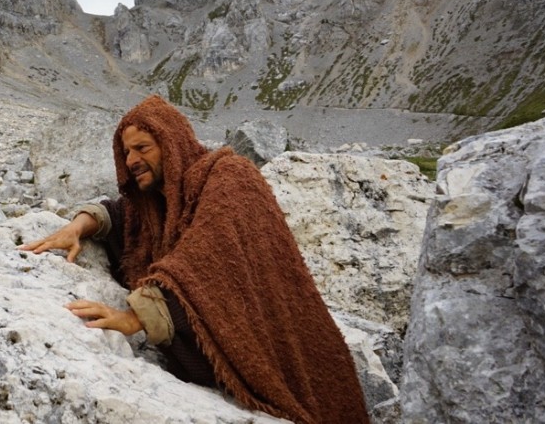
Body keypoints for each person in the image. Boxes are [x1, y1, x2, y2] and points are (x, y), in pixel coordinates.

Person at [20, 95, 368, 424]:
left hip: (288, 348)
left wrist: (135, 316)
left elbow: (208, 257)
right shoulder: (159, 201)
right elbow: (123, 217)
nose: (131, 161)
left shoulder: (231, 176)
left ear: (171, 145)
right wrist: (78, 226)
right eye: (126, 152)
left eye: (142, 148)